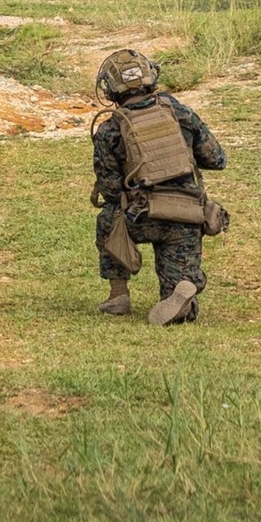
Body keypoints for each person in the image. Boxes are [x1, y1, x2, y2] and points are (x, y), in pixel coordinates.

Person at [90, 48, 228, 325]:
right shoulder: (181, 113)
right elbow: (217, 159)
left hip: (140, 217)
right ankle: (180, 294)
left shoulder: (109, 130)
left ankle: (118, 294)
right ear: (151, 77)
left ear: (111, 90)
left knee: (108, 218)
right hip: (185, 217)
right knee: (180, 301)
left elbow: (111, 190)